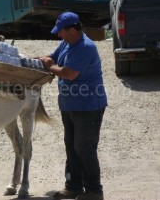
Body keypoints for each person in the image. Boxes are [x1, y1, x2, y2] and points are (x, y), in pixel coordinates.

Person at [39, 12, 107, 200]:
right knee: (72, 146)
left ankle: (94, 191)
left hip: (88, 106)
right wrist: (39, 60)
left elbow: (69, 74)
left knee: (84, 147)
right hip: (70, 106)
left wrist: (50, 66)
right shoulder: (67, 44)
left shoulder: (86, 47)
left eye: (61, 32)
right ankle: (74, 186)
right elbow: (51, 57)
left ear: (72, 30)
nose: (58, 35)